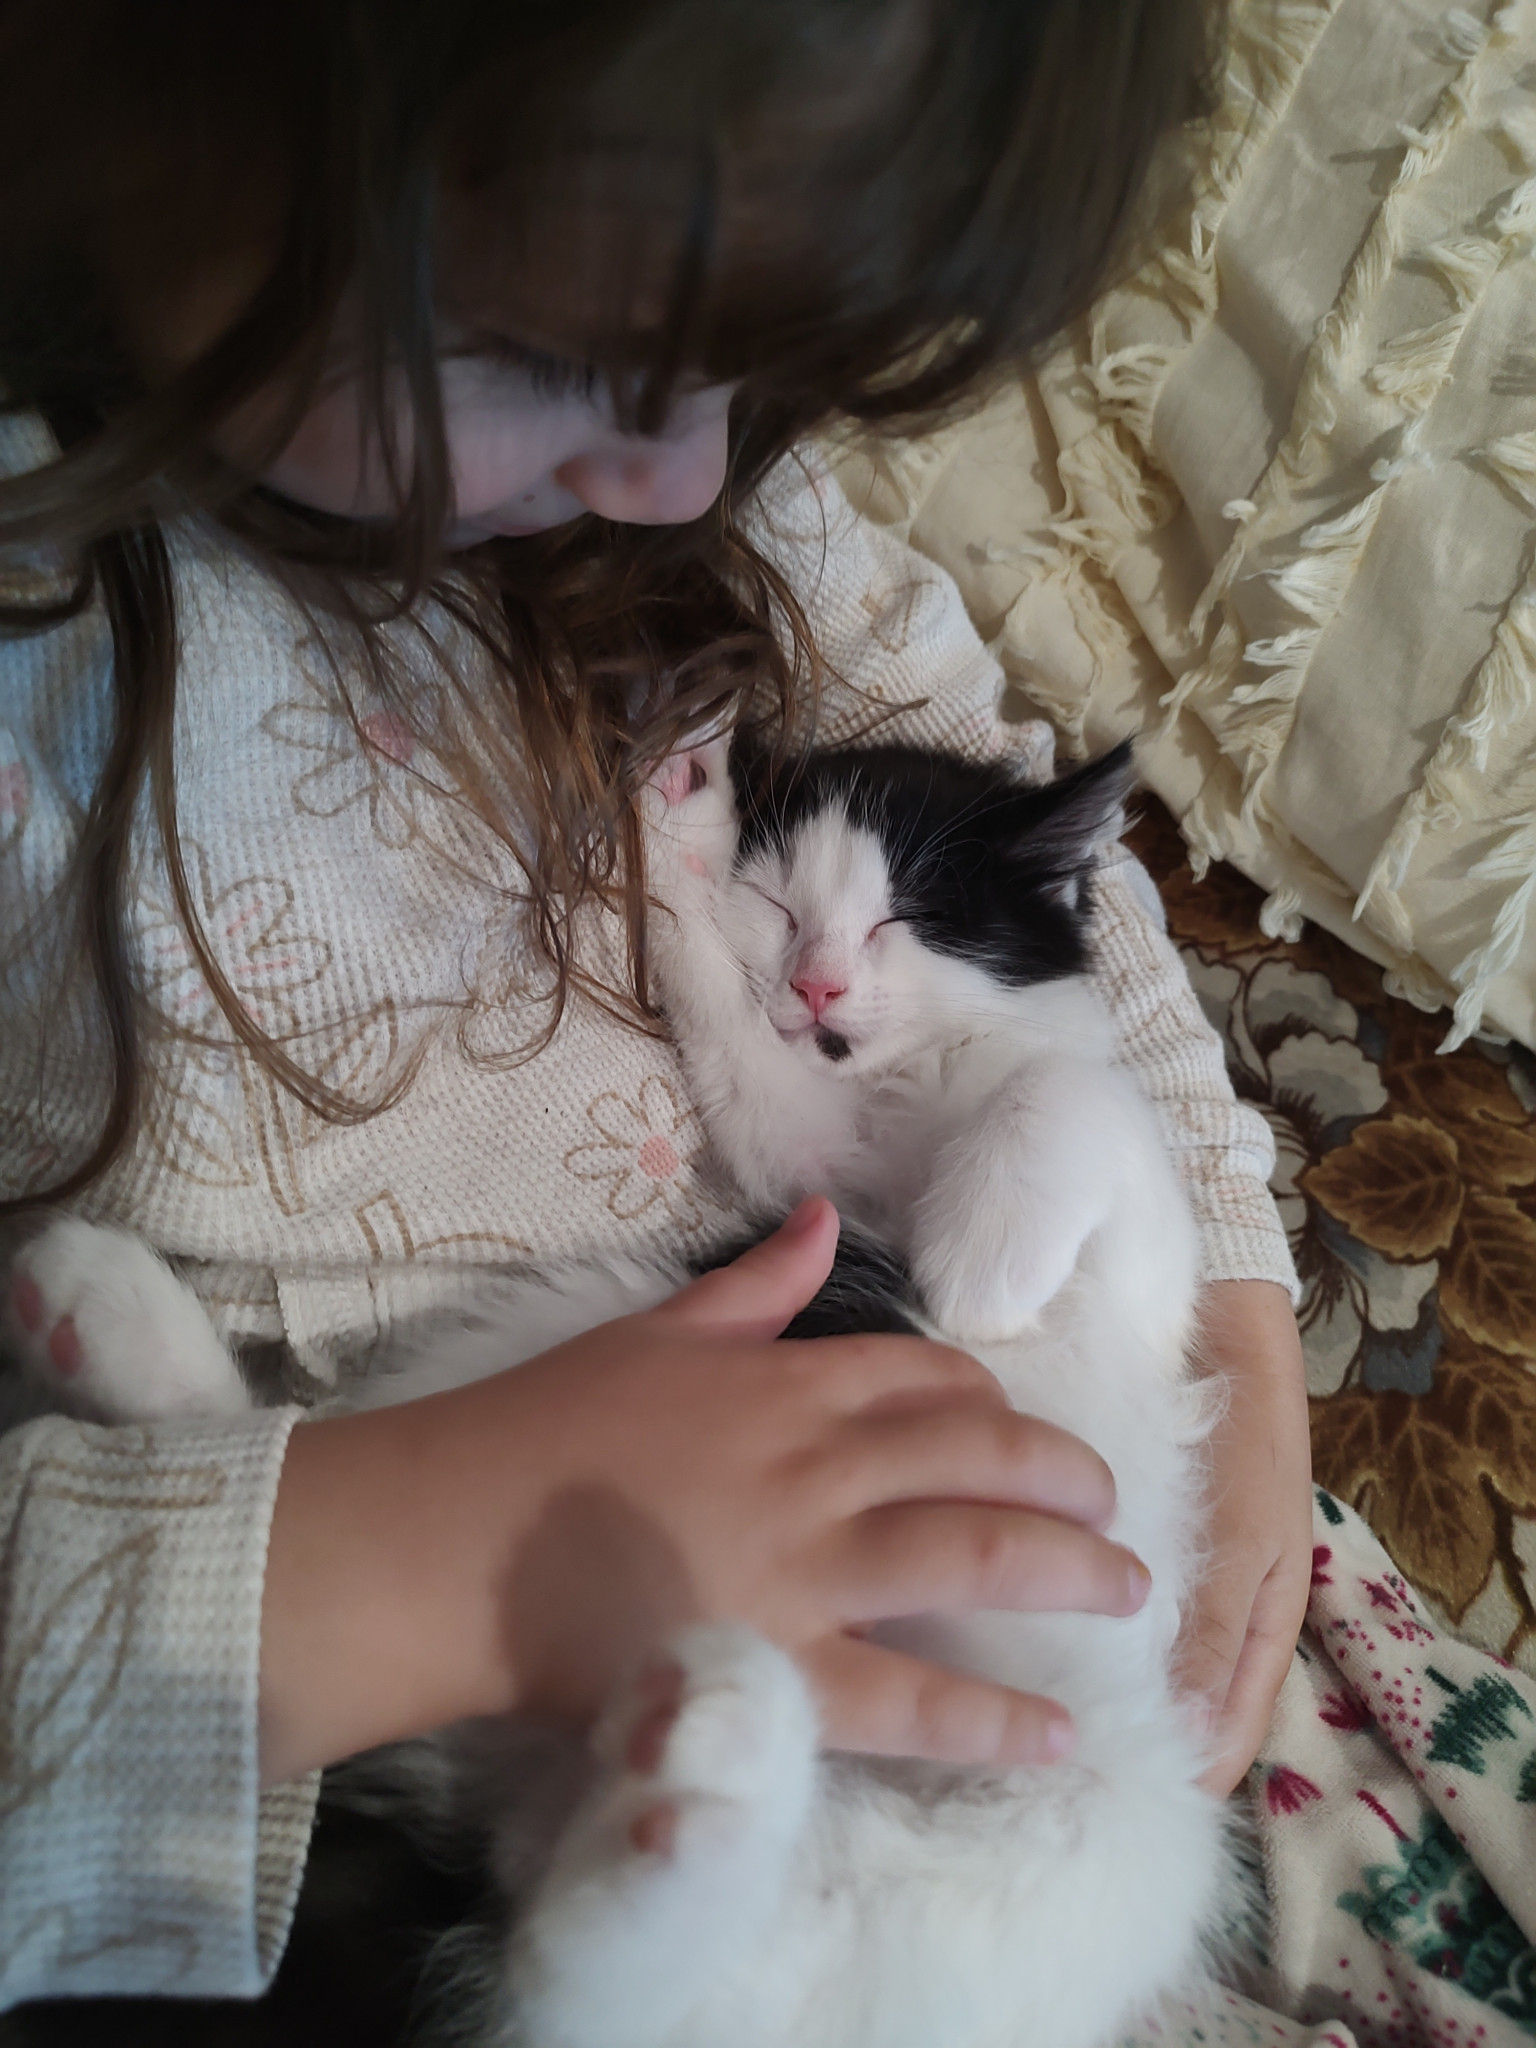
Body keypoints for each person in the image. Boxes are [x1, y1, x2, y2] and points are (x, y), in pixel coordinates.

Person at [0, 0, 1310, 2010]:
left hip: (871, 1552)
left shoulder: (705, 500)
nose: (686, 471)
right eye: (556, 353)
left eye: (772, 389)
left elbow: (1020, 827)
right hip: (310, 1653)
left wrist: (1231, 1288)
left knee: (1114, 1866)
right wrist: (387, 1565)